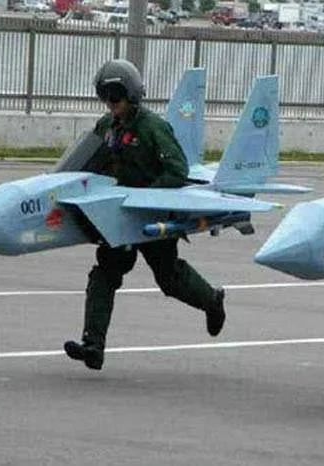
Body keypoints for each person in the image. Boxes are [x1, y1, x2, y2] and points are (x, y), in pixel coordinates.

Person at [64, 59, 226, 371]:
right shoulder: (106, 127)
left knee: (169, 278)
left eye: (116, 97)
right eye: (106, 97)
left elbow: (176, 170)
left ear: (132, 95)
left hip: (151, 215)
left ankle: (212, 301)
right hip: (117, 217)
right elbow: (89, 163)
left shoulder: (153, 128)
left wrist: (146, 196)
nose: (110, 104)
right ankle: (93, 346)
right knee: (105, 273)